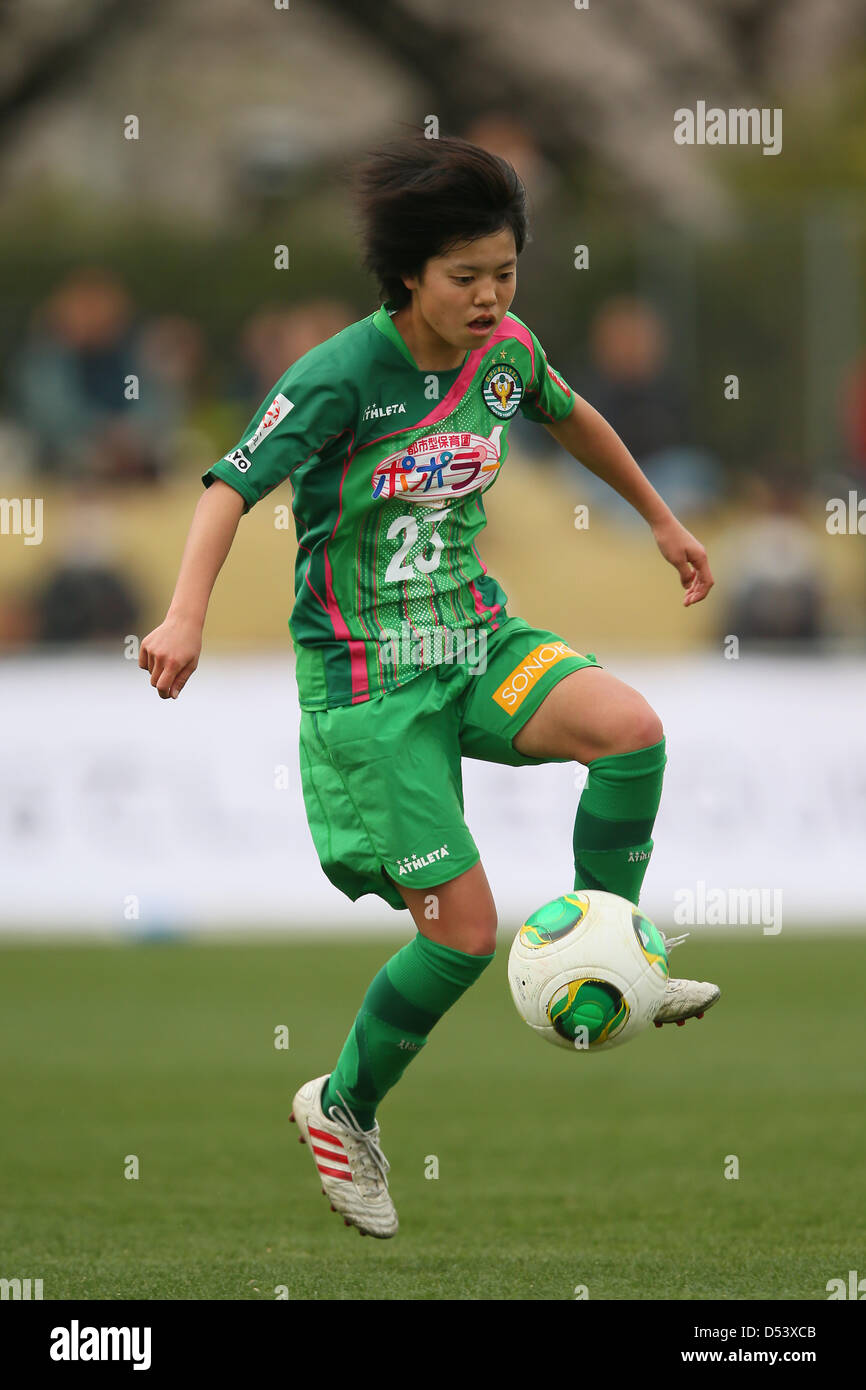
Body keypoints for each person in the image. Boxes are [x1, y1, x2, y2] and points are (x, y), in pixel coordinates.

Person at [138, 135, 718, 1241]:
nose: (491, 297)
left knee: (629, 730)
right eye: (467, 278)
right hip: (370, 687)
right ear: (408, 276)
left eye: (505, 272)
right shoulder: (337, 375)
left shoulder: (504, 351)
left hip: (473, 640)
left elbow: (568, 411)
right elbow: (226, 486)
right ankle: (343, 1107)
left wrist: (661, 518)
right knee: (460, 935)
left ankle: (615, 939)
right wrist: (184, 614)